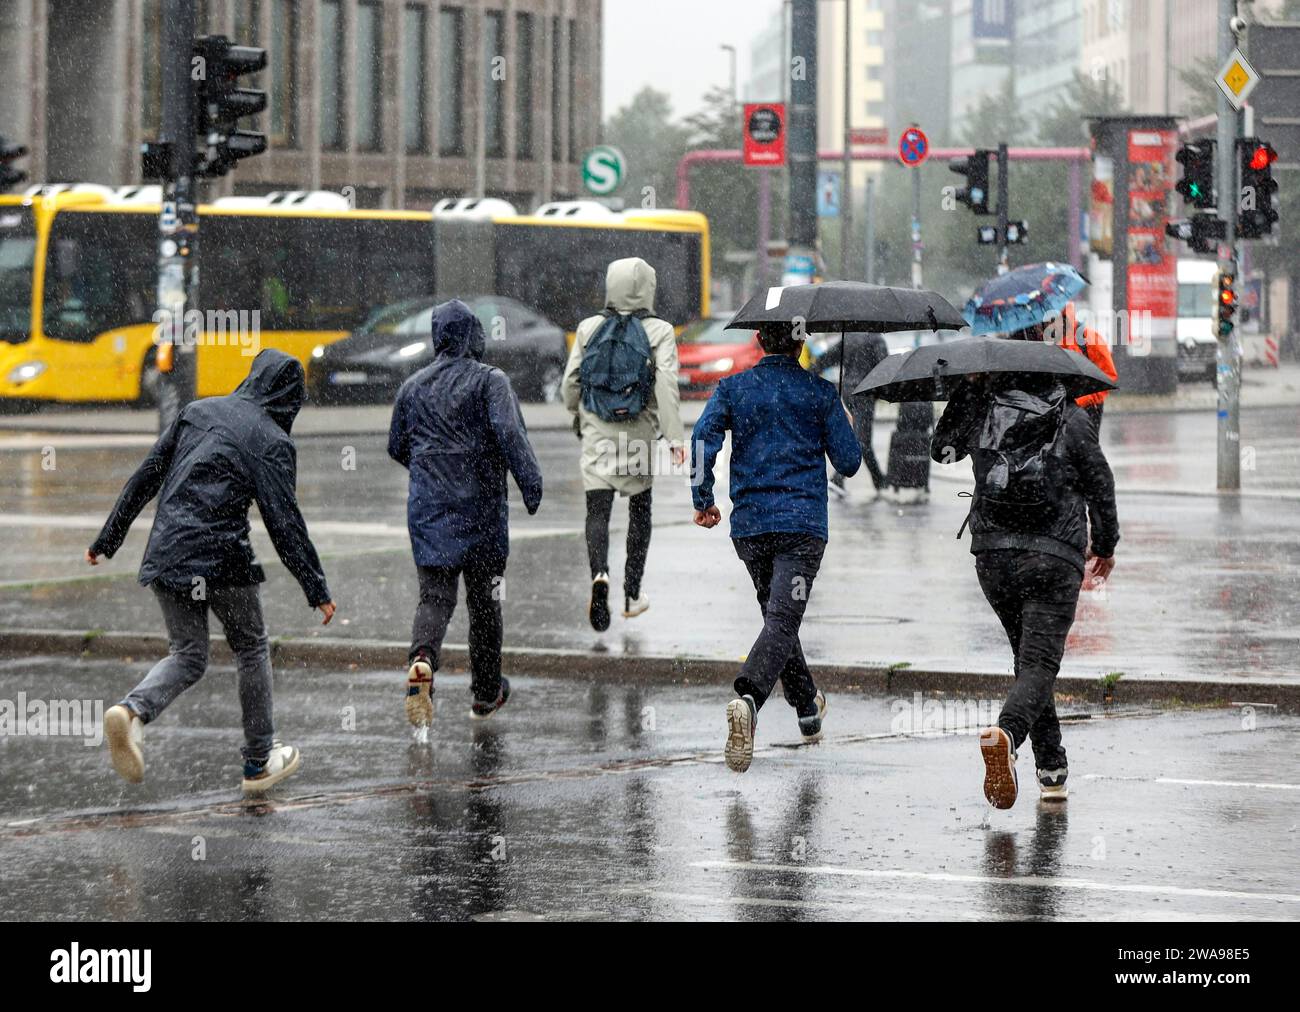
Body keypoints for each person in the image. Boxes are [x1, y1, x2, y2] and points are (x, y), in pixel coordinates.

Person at [87, 349, 336, 795]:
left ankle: (131, 712)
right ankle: (259, 761)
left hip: (166, 551)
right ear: (289, 398)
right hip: (222, 558)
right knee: (251, 647)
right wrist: (315, 587)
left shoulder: (197, 411)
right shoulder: (271, 440)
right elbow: (284, 522)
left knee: (187, 653)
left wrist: (108, 539)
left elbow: (146, 476)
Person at [931, 372, 1119, 809]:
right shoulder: (1071, 419)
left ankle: (1052, 770)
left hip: (995, 557)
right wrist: (1105, 546)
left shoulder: (984, 408)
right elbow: (1100, 483)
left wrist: (967, 393)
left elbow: (941, 451)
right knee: (1038, 663)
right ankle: (1008, 734)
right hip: (1053, 558)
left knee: (1028, 661)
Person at [691, 324, 862, 773]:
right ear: (801, 343)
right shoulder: (820, 393)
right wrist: (844, 418)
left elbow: (699, 441)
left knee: (778, 618)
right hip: (802, 527)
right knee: (784, 619)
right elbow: (849, 463)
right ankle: (748, 699)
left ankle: (808, 708)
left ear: (761, 342)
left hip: (750, 527)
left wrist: (702, 497)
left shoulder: (733, 388)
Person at [389, 299, 542, 727]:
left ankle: (422, 659)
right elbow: (510, 435)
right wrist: (530, 484)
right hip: (483, 513)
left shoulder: (411, 386)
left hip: (429, 513)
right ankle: (485, 692)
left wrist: (431, 474)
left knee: (435, 598)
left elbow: (397, 446)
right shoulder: (490, 381)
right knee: (485, 604)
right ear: (476, 336)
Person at [562, 257, 684, 632]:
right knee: (639, 512)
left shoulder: (588, 327)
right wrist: (676, 438)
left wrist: (578, 415)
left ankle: (600, 572)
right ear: (649, 288)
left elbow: (571, 383)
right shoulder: (660, 331)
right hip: (639, 434)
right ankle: (632, 592)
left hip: (598, 431)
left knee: (596, 512)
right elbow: (665, 385)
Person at [1023, 302, 1118, 438]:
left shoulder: (1088, 338)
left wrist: (1079, 401)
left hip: (1085, 411)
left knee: (1082, 454)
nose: (1044, 326)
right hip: (1051, 412)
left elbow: (1107, 377)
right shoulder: (1037, 342)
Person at [825, 331, 889, 501]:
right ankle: (838, 478)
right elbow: (884, 368)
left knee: (859, 437)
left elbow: (829, 357)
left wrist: (809, 371)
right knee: (863, 440)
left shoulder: (849, 337)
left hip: (848, 390)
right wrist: (887, 392)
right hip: (864, 393)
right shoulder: (876, 339)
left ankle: (879, 480)